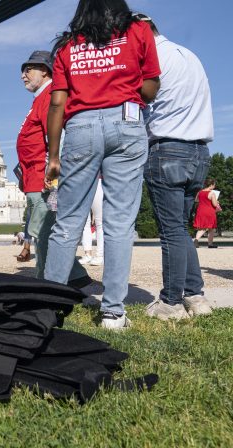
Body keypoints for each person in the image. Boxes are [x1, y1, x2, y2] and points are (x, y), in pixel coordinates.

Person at [44, 0, 160, 330]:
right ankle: (112, 312)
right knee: (119, 222)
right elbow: (151, 86)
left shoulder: (68, 45)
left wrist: (53, 156)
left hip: (79, 126)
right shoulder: (138, 30)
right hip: (126, 119)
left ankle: (49, 308)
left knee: (67, 222)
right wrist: (121, 84)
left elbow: (57, 104)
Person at [138, 14, 215, 320]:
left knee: (170, 231)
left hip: (168, 147)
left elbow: (143, 104)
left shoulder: (151, 59)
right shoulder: (189, 55)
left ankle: (170, 302)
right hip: (199, 150)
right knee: (180, 229)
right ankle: (196, 297)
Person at [16, 50, 90, 285]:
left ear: (45, 71)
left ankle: (44, 283)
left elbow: (56, 135)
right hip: (34, 175)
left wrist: (52, 169)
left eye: (28, 70)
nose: (23, 76)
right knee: (45, 231)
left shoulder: (49, 95)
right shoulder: (40, 97)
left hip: (43, 176)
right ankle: (76, 277)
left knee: (44, 232)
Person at [80, 177, 104, 265]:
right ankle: (87, 254)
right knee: (83, 221)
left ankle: (100, 255)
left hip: (98, 179)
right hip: (81, 180)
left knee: (100, 221)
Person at [193, 180, 220, 249]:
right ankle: (209, 244)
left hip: (200, 211)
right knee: (211, 228)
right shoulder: (212, 193)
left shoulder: (200, 192)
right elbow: (214, 204)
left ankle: (197, 240)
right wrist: (217, 202)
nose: (214, 186)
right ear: (211, 185)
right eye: (214, 185)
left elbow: (196, 200)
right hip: (209, 212)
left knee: (203, 227)